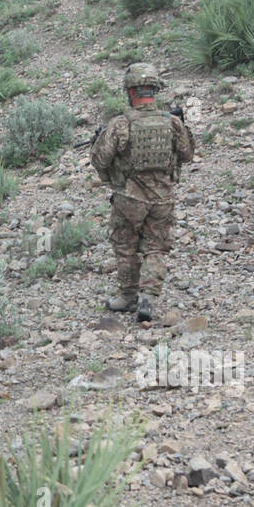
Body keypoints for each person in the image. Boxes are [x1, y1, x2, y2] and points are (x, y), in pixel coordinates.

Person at [90, 62, 195, 325]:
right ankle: (148, 297)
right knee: (156, 247)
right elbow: (187, 154)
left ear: (130, 91)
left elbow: (100, 160)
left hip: (129, 198)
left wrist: (97, 141)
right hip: (163, 199)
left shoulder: (120, 124)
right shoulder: (172, 123)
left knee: (125, 247)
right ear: (155, 90)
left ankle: (127, 296)